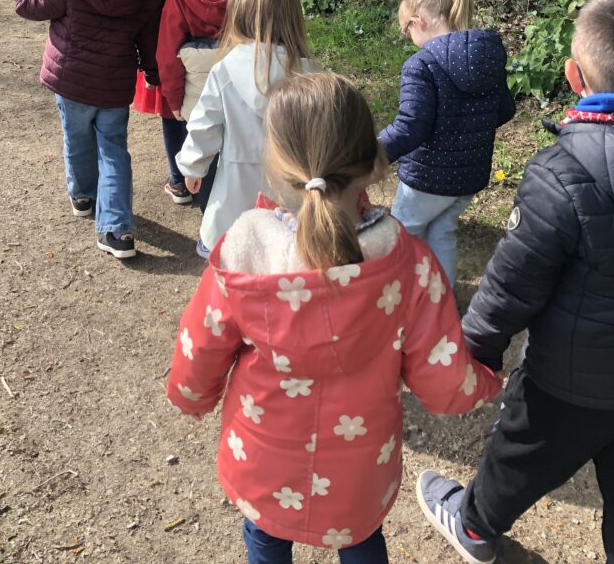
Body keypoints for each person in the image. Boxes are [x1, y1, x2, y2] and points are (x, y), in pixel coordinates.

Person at [167, 72, 501, 563]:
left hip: (262, 454)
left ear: (276, 165)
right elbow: (443, 379)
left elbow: (200, 348)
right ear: (372, 162)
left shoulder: (244, 254)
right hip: (360, 464)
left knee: (265, 538)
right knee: (361, 540)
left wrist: (191, 397)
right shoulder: (407, 263)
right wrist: (487, 378)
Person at [416, 0, 614, 564]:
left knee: (520, 453)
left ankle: (474, 526)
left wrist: (476, 350)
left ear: (574, 76)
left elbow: (511, 284)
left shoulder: (562, 171)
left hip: (569, 380)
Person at [16, 0, 161, 259]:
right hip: (113, 86)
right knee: (114, 152)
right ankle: (117, 230)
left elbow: (26, 4)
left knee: (77, 141)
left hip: (72, 84)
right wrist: (151, 69)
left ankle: (83, 196)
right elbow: (148, 31)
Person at [378, 0, 515, 286]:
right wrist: (470, 125)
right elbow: (505, 109)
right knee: (443, 231)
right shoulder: (488, 57)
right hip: (469, 176)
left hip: (427, 177)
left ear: (418, 21)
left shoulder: (421, 65)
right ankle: (443, 301)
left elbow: (410, 127)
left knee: (404, 234)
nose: (408, 36)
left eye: (406, 29)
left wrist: (372, 153)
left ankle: (402, 302)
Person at [176, 0, 313, 259]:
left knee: (233, 256)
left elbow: (205, 124)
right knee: (286, 258)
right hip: (293, 193)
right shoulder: (311, 73)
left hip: (234, 193)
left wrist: (192, 167)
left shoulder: (226, 69)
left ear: (241, 18)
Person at [156, 0, 245, 212]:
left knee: (202, 160)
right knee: (238, 159)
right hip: (242, 98)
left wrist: (173, 100)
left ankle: (210, 216)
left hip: (197, 101)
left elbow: (167, 55)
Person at [131, 0, 196, 205]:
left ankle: (179, 181)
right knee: (200, 114)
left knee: (173, 117)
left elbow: (142, 16)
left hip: (166, 53)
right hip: (200, 50)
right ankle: (202, 174)